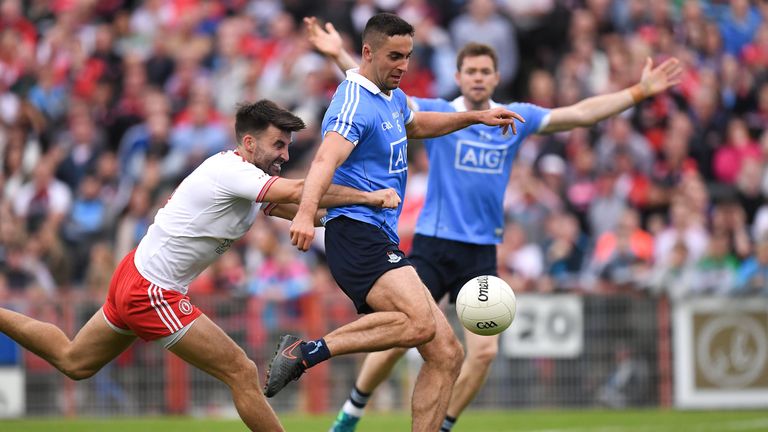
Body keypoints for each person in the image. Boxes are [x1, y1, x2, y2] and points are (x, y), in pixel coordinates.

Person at [301, 16, 683, 432]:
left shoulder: (511, 118)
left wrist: (638, 91)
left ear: (497, 77)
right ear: (458, 76)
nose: (479, 78)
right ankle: (352, 412)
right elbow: (374, 90)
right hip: (433, 243)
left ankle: (442, 423)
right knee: (403, 331)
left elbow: (578, 114)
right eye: (472, 71)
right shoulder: (438, 111)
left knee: (482, 353)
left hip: (481, 251)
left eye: (486, 71)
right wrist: (339, 53)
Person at [0, 99, 402, 432]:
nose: (285, 154)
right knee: (242, 372)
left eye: (288, 146)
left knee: (74, 361)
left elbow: (297, 205)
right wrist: (368, 197)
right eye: (278, 145)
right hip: (153, 291)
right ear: (248, 142)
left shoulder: (243, 175)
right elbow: (302, 190)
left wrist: (353, 217)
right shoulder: (233, 171)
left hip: (135, 274)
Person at [261, 13, 525, 432]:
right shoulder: (352, 100)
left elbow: (418, 124)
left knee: (448, 354)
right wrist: (307, 215)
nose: (404, 65)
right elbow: (326, 159)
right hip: (355, 232)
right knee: (420, 324)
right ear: (368, 53)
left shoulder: (391, 95)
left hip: (378, 234)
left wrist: (474, 117)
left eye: (408, 56)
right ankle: (305, 352)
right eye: (395, 56)